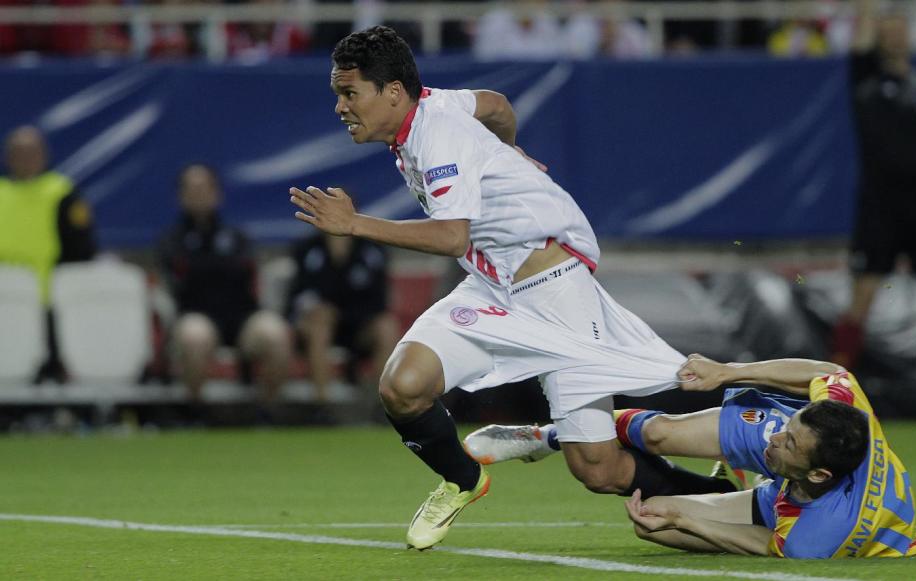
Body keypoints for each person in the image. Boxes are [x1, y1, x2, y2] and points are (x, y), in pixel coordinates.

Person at [288, 25, 713, 550]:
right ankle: (464, 480)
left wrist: (354, 224)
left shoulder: (435, 136)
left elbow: (450, 236)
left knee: (598, 470)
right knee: (402, 386)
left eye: (349, 93)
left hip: (557, 293)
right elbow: (496, 104)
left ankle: (719, 497)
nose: (340, 107)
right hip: (493, 286)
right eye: (338, 94)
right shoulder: (432, 106)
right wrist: (509, 153)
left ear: (392, 92)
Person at [469, 355, 916, 558]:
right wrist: (729, 372)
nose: (775, 440)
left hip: (792, 508)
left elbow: (763, 544)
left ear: (819, 472)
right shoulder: (839, 419)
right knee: (659, 432)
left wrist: (685, 519)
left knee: (650, 521)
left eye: (788, 443)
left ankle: (741, 484)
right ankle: (546, 436)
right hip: (804, 475)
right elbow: (833, 371)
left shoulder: (815, 537)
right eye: (786, 430)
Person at [830, 0, 916, 406]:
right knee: (862, 299)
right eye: (888, 27)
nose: (895, 33)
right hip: (879, 207)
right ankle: (831, 397)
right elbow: (863, 33)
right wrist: (870, 10)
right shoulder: (865, 78)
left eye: (901, 26)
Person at [159, 163, 292, 403]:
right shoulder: (171, 240)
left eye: (204, 188)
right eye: (192, 189)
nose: (199, 194)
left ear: (216, 193)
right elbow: (181, 279)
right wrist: (219, 267)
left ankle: (267, 412)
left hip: (242, 318)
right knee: (194, 337)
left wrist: (204, 266)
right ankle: (196, 412)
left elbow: (244, 269)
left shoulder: (236, 236)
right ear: (181, 196)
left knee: (275, 334)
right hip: (196, 314)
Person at [0, 125, 97, 381]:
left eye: (32, 152)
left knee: (55, 361)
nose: (26, 159)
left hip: (53, 297)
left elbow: (82, 247)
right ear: (7, 157)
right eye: (18, 153)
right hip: (4, 297)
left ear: (44, 154)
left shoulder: (63, 191)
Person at [286, 232, 399, 401]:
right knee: (320, 324)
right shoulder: (308, 249)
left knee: (386, 326)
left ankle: (385, 405)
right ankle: (323, 405)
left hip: (361, 325)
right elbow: (298, 296)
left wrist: (347, 314)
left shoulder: (371, 250)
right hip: (320, 324)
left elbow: (380, 302)